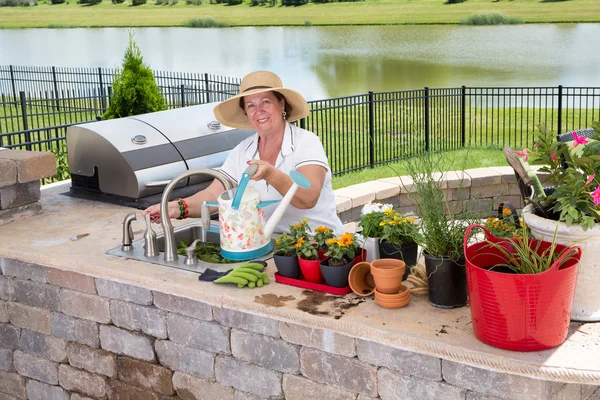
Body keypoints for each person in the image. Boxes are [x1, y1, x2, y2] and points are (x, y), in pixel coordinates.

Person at [144, 70, 344, 235]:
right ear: (247, 114)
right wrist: (177, 207)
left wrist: (270, 173)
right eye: (251, 105)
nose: (259, 110)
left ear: (281, 104)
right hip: (272, 244)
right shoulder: (243, 151)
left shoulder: (306, 143)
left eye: (266, 102)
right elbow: (214, 194)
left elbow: (307, 197)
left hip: (320, 245)